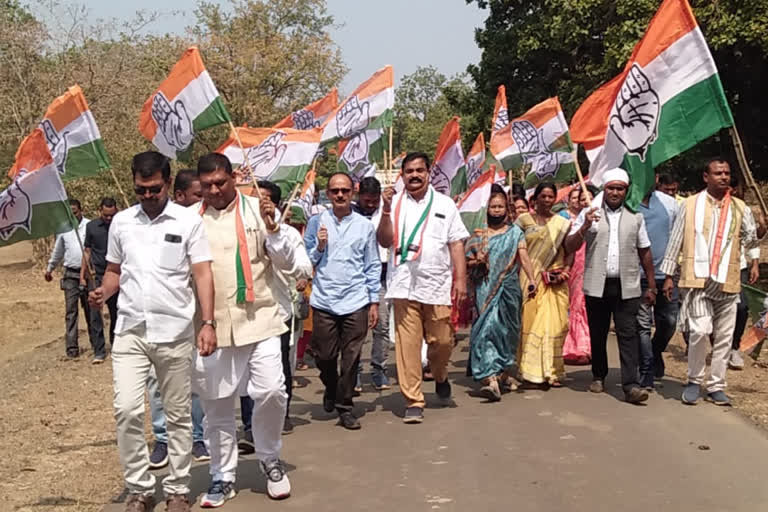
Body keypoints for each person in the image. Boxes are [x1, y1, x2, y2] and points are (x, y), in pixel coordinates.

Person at [88, 151, 217, 512]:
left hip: (174, 330)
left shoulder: (189, 222)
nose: (147, 196)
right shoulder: (123, 223)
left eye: (154, 189)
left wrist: (207, 323)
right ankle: (140, 488)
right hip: (131, 329)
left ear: (167, 181)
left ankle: (177, 489)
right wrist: (104, 290)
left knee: (177, 415)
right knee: (127, 410)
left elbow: (203, 273)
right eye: (141, 190)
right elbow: (115, 269)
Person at [192, 154, 295, 507]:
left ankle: (269, 458)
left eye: (221, 182)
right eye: (207, 186)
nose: (215, 190)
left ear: (234, 177)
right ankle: (222, 475)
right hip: (212, 327)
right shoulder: (191, 219)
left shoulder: (258, 209)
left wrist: (274, 228)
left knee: (271, 392)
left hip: (261, 319)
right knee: (217, 405)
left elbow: (287, 264)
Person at [377, 152, 469, 424]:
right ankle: (414, 399)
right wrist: (383, 211)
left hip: (437, 285)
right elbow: (384, 241)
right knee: (408, 346)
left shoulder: (445, 204)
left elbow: (456, 243)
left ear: (428, 173)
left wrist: (460, 280)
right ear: (402, 175)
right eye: (409, 171)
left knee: (441, 341)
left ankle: (440, 375)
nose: (414, 175)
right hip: (403, 285)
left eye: (419, 170)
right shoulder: (392, 204)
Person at [661, 159, 758, 406]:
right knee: (700, 331)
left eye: (726, 173)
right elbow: (676, 238)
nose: (724, 177)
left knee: (724, 336)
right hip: (698, 280)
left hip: (729, 279)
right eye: (718, 173)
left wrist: (755, 261)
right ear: (706, 177)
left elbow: (750, 238)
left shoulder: (739, 207)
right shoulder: (691, 205)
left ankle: (716, 385)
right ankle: (694, 380)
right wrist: (668, 276)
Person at [565, 169, 655, 404]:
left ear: (625, 191)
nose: (615, 192)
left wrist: (652, 284)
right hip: (597, 285)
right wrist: (584, 225)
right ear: (604, 190)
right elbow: (570, 245)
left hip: (628, 285)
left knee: (628, 333)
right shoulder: (590, 213)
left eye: (619, 189)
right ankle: (599, 375)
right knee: (598, 332)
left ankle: (630, 385)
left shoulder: (635, 217)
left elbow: (644, 250)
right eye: (611, 188)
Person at [304, 172, 381, 430]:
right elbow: (305, 262)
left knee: (352, 357)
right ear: (328, 193)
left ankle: (345, 406)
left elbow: (371, 265)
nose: (339, 195)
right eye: (335, 191)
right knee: (324, 356)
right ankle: (332, 387)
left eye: (345, 191)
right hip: (325, 300)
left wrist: (373, 301)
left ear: (353, 193)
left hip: (355, 300)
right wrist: (320, 247)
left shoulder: (364, 226)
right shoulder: (317, 223)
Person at [146, 170, 208, 468]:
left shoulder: (201, 225)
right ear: (180, 195)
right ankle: (162, 439)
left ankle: (196, 436)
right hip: (157, 319)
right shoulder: (146, 227)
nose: (203, 199)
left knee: (195, 378)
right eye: (198, 194)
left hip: (193, 317)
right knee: (157, 382)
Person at [466, 184, 536, 400]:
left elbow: (523, 256)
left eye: (500, 206)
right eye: (492, 207)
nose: (496, 210)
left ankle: (504, 372)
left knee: (507, 332)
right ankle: (490, 378)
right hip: (485, 287)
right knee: (487, 330)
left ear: (507, 208)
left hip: (509, 288)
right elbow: (467, 260)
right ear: (486, 209)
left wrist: (532, 279)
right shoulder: (478, 234)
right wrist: (477, 261)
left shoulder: (515, 233)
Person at [515, 183, 572, 387]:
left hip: (555, 280)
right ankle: (528, 371)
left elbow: (569, 250)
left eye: (551, 197)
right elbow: (515, 249)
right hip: (529, 278)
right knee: (530, 321)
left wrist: (565, 271)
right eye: (543, 196)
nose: (547, 200)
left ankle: (553, 371)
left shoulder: (561, 223)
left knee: (555, 325)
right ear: (535, 198)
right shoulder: (523, 221)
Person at [636, 183, 680, 385]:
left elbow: (679, 235)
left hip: (667, 275)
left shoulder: (669, 203)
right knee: (642, 326)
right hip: (637, 276)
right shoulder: (629, 202)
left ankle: (655, 351)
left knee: (670, 321)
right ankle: (646, 370)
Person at [45, 199, 98, 360]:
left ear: (81, 210)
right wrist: (50, 268)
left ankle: (97, 344)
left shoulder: (90, 226)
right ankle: (72, 348)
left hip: (89, 274)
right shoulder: (63, 228)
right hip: (70, 275)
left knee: (91, 310)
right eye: (70, 213)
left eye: (75, 212)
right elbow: (58, 251)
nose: (73, 216)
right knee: (71, 312)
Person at [353, 176, 392, 391]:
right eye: (366, 201)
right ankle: (354, 371)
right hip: (356, 277)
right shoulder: (349, 214)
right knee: (356, 329)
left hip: (381, 277)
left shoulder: (386, 212)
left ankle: (379, 369)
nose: (370, 205)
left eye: (373, 201)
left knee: (382, 327)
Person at [725, 173, 764, 370]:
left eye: (732, 187)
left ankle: (733, 348)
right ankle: (718, 345)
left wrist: (755, 263)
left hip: (737, 266)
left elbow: (751, 240)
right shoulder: (702, 206)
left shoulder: (743, 209)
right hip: (711, 267)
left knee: (741, 308)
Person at [558, 187, 592, 365]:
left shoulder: (598, 215)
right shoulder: (565, 217)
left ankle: (588, 346)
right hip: (573, 261)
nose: (585, 201)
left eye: (589, 198)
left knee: (587, 303)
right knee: (575, 303)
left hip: (592, 261)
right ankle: (576, 347)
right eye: (581, 198)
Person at [81, 197, 118, 357]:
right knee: (95, 314)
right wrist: (82, 276)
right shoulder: (91, 227)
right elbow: (87, 251)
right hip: (97, 275)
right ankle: (99, 351)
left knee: (116, 312)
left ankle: (116, 345)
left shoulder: (120, 226)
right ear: (99, 211)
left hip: (116, 275)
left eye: (112, 215)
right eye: (106, 215)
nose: (109, 218)